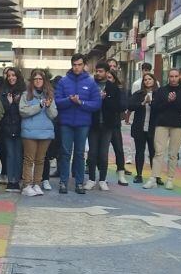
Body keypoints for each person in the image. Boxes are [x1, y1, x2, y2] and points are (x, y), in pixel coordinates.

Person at [55, 54, 102, 194]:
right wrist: (69, 100)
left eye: (79, 64)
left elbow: (96, 104)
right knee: (65, 153)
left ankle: (79, 183)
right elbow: (57, 102)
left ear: (84, 65)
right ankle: (63, 182)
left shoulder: (91, 82)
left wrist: (81, 103)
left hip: (83, 124)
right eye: (74, 65)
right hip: (66, 123)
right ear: (71, 65)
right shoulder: (63, 82)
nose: (77, 67)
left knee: (80, 154)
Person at [146, 68, 181, 190]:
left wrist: (174, 101)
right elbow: (155, 107)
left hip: (178, 124)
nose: (174, 79)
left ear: (179, 77)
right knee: (159, 152)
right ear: (168, 77)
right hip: (162, 123)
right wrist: (168, 101)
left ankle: (170, 178)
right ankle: (153, 178)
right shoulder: (161, 90)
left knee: (173, 153)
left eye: (176, 76)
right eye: (171, 76)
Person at [85, 62, 124, 191]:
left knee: (103, 154)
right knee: (92, 153)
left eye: (101, 71)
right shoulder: (91, 86)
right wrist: (97, 99)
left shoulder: (113, 88)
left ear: (107, 73)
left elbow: (119, 107)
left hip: (108, 125)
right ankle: (91, 179)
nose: (98, 73)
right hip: (93, 125)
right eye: (97, 71)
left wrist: (105, 99)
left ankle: (102, 180)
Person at [20, 70, 58, 197]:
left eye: (40, 79)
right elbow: (23, 111)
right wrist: (40, 106)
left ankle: (37, 184)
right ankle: (26, 185)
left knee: (40, 160)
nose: (37, 81)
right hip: (30, 132)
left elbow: (54, 115)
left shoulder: (49, 95)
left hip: (45, 132)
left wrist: (48, 106)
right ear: (32, 81)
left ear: (44, 81)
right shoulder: (26, 95)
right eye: (35, 79)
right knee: (29, 160)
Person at [126, 72, 158, 184]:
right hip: (140, 127)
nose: (148, 81)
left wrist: (152, 103)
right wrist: (142, 103)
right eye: (145, 80)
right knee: (140, 151)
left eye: (150, 79)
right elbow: (129, 105)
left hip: (153, 127)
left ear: (154, 81)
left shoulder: (159, 93)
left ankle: (156, 176)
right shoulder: (138, 94)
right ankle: (139, 175)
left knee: (154, 152)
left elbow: (162, 107)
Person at [0, 67, 26, 192]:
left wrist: (16, 103)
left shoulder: (24, 91)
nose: (11, 78)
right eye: (9, 75)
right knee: (10, 154)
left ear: (18, 76)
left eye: (13, 75)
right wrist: (10, 104)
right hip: (7, 128)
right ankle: (11, 181)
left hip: (21, 127)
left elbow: (24, 110)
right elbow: (2, 111)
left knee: (19, 154)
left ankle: (18, 178)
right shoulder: (3, 92)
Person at [106, 58, 130, 184]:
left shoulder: (120, 89)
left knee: (119, 149)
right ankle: (99, 176)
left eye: (113, 66)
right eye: (109, 65)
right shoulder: (99, 87)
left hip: (114, 124)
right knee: (99, 151)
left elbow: (123, 105)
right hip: (101, 124)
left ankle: (121, 173)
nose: (111, 67)